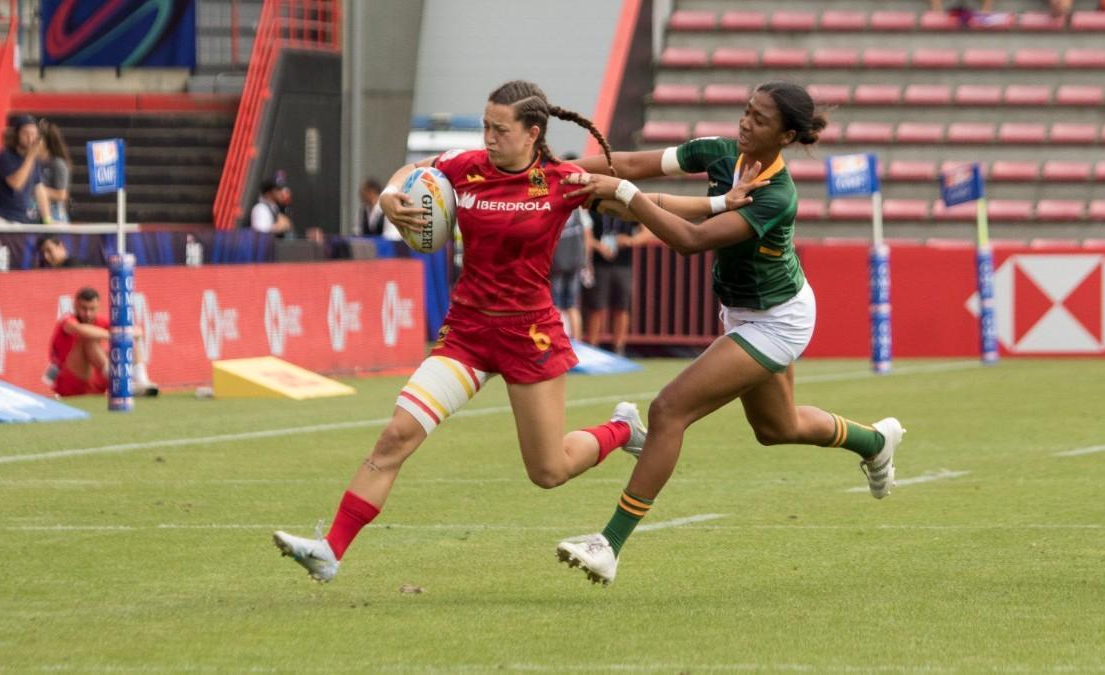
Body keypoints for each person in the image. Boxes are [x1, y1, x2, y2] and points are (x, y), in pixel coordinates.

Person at [271, 79, 761, 584]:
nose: (487, 137)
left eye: (498, 129)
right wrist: (394, 196)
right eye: (485, 126)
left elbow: (642, 199)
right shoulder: (465, 169)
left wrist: (721, 204)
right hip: (466, 334)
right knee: (396, 436)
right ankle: (330, 550)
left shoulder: (562, 180)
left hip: (530, 337)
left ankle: (622, 431)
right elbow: (414, 171)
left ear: (532, 133)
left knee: (548, 472)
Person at [553, 81, 905, 586]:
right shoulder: (717, 153)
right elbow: (626, 164)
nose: (745, 123)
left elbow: (691, 241)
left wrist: (627, 198)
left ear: (785, 135)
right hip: (742, 311)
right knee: (775, 429)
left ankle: (609, 544)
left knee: (669, 410)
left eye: (759, 120)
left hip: (777, 320)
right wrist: (548, 175)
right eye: (746, 112)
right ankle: (874, 441)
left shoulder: (777, 196)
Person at [45, 286, 158, 398]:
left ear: (98, 306)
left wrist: (129, 332)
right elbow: (80, 329)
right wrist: (116, 335)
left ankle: (142, 381)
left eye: (92, 309)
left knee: (128, 335)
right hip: (69, 382)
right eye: (84, 308)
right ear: (75, 306)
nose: (88, 313)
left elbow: (136, 330)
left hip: (97, 380)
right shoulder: (67, 320)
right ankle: (121, 384)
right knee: (88, 338)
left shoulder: (100, 320)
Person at [583, 212, 655, 356]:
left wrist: (630, 240)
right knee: (596, 306)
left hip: (623, 265)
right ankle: (592, 347)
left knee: (622, 306)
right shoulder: (594, 209)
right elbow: (585, 235)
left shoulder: (627, 209)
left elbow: (648, 233)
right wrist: (598, 246)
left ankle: (619, 347)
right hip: (599, 264)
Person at [0, 114, 51, 225]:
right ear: (17, 135)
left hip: (19, 217)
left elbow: (39, 189)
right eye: (25, 133)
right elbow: (16, 183)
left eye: (33, 134)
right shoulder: (5, 155)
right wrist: (30, 157)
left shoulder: (35, 161)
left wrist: (47, 219)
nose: (30, 138)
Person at [550, 169, 592, 341]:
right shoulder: (578, 206)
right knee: (572, 304)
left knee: (556, 304)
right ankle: (578, 343)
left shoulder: (551, 205)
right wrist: (586, 262)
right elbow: (587, 234)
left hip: (557, 262)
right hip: (575, 261)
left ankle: (557, 341)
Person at [39, 120, 72, 223]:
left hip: (55, 216)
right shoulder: (34, 162)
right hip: (37, 215)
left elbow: (61, 194)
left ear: (44, 143)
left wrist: (38, 190)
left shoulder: (57, 164)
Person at [249, 171, 293, 237]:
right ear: (268, 192)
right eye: (278, 189)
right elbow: (260, 236)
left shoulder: (275, 208)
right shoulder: (261, 208)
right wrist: (281, 226)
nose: (282, 192)